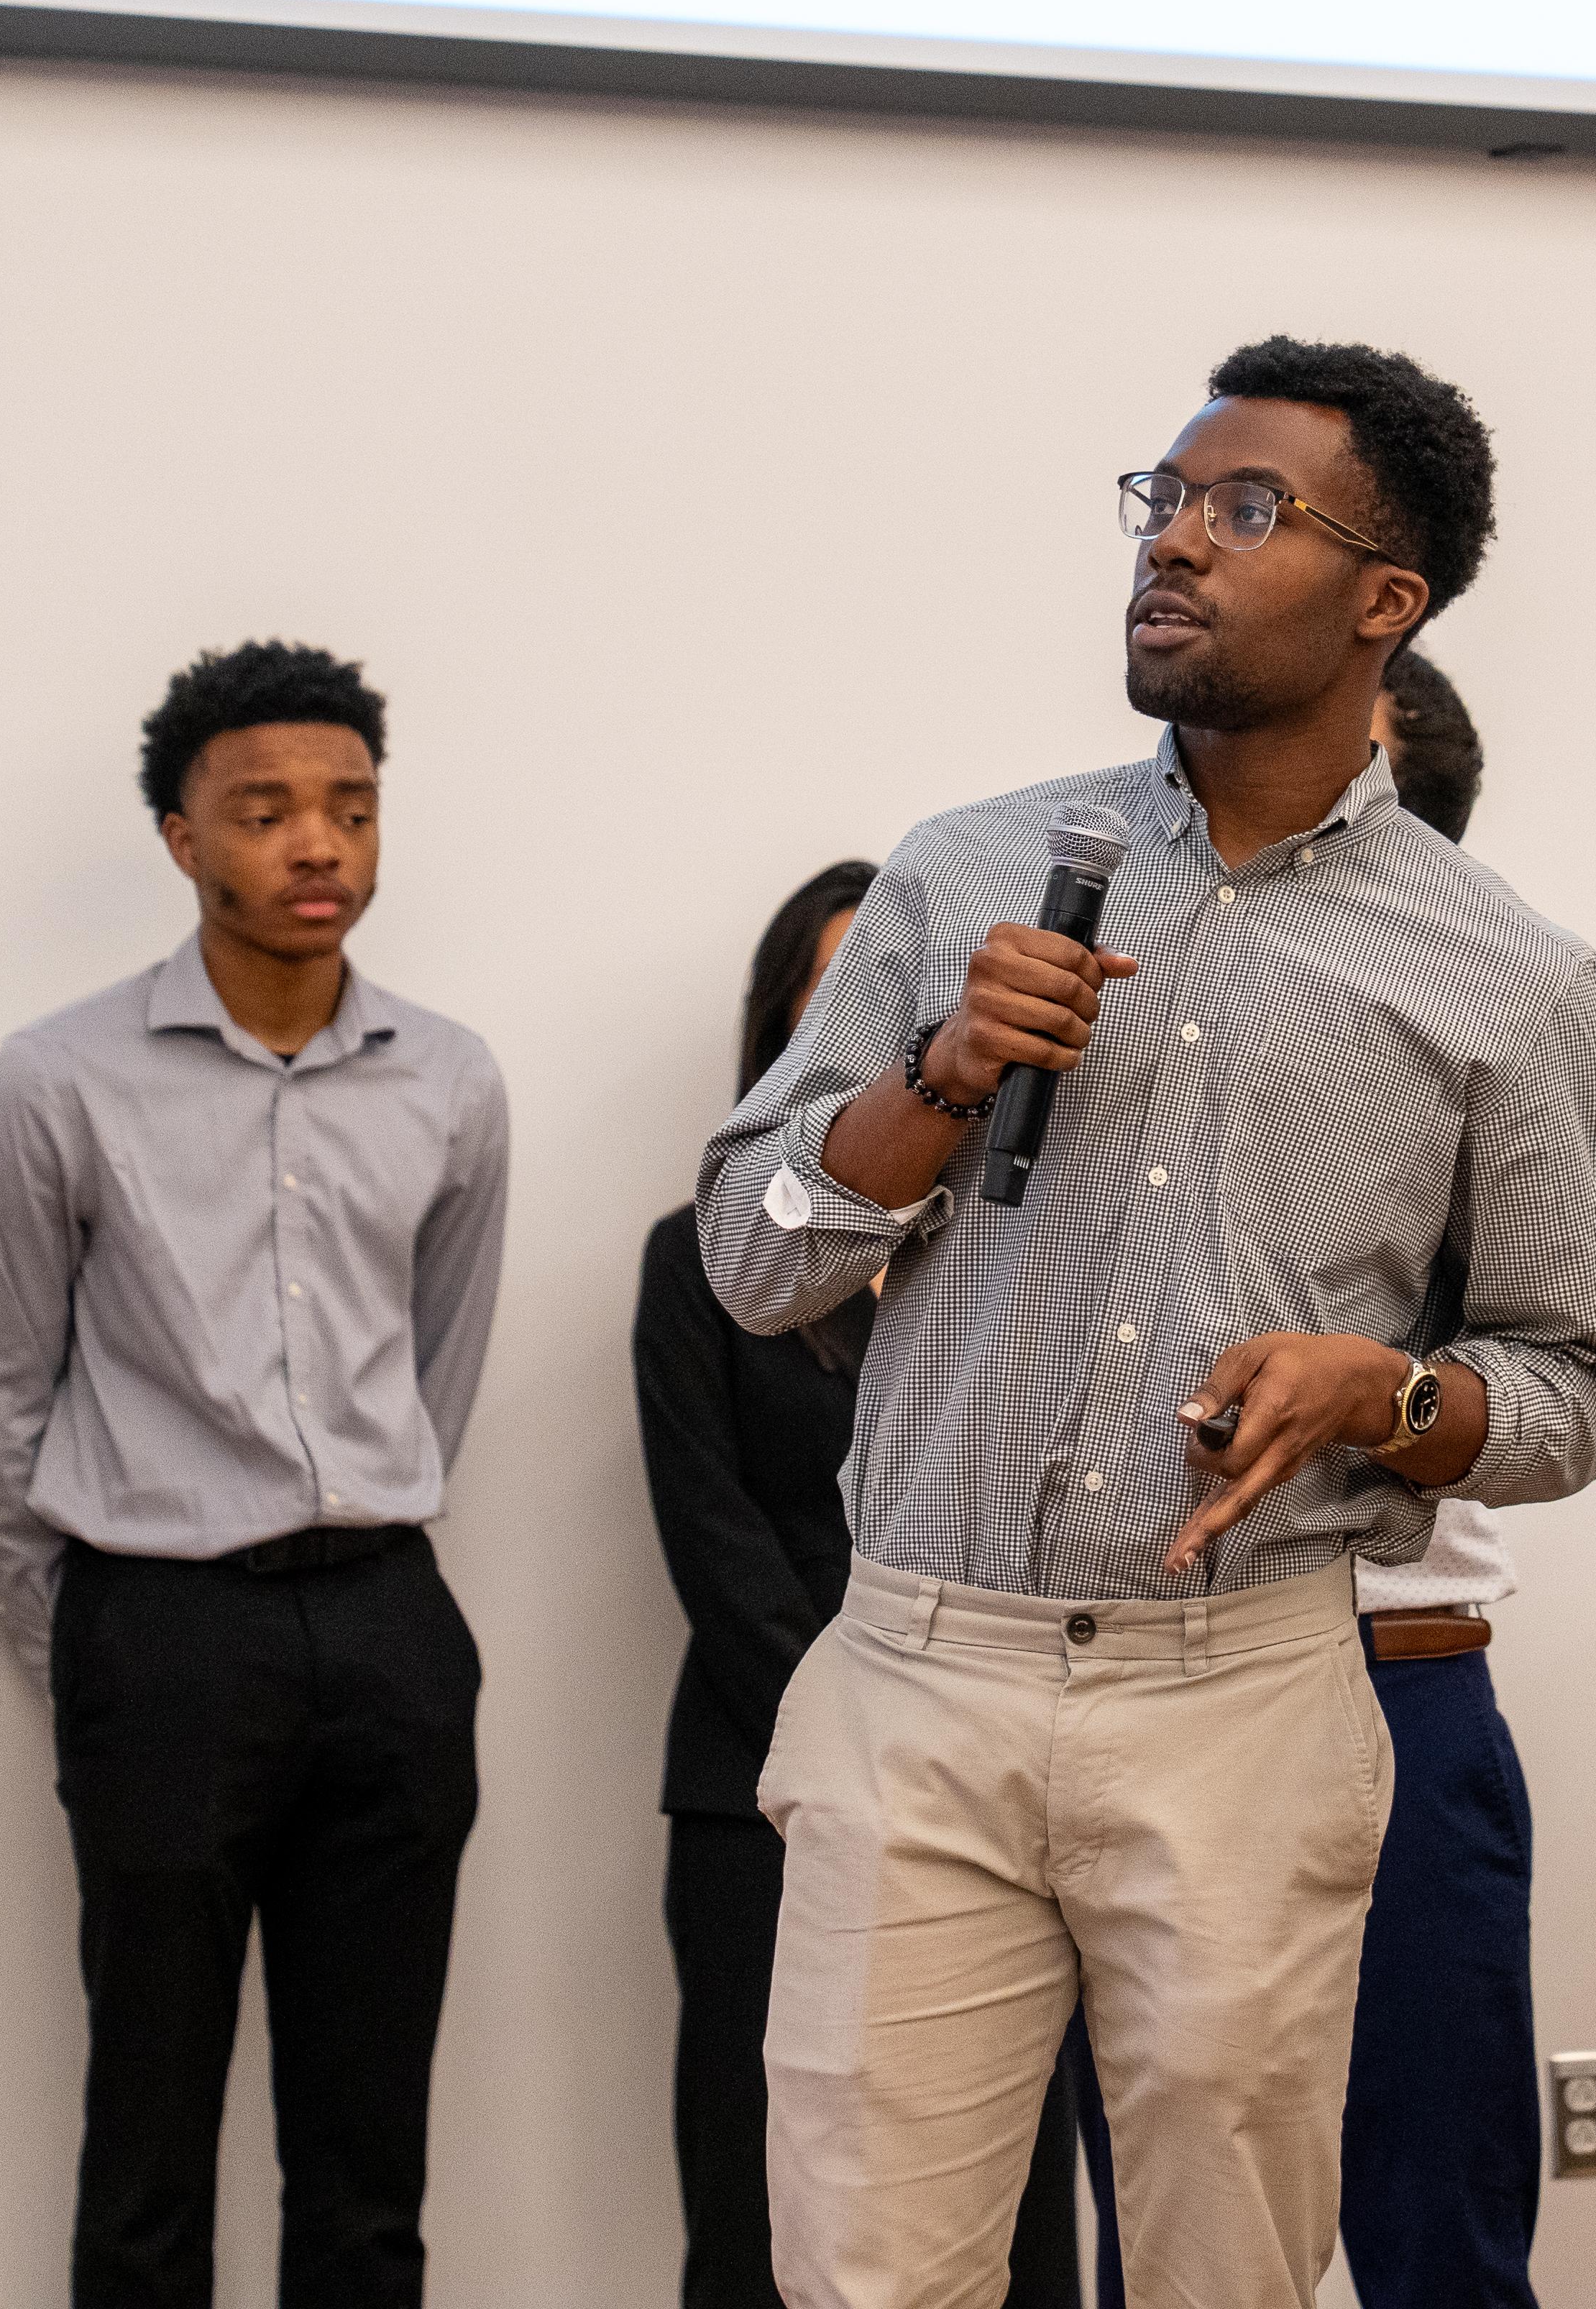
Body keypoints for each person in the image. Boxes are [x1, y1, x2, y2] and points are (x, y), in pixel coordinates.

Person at [697, 336, 1596, 2309]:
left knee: (1223, 2279)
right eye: (1168, 497)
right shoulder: (965, 872)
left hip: (1242, 1698)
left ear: (1387, 600)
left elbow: (1577, 1386)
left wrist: (1387, 1392)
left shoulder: (1511, 978)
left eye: (1248, 510)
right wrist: (937, 1077)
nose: (1177, 544)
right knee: (867, 2280)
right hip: (923, 1670)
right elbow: (755, 1255)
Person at [0, 641, 510, 2309]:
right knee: (148, 2143)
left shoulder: (450, 1078)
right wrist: (93, 1646)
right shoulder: (58, 1080)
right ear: (183, 839)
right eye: (265, 812)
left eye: (350, 806)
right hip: (162, 1629)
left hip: (390, 1626)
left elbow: (440, 1361)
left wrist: (375, 1533)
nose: (317, 842)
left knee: (369, 2159)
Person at [1077, 640, 1543, 2309]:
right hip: (1154, 1692)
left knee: (1442, 2237)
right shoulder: (1129, 1003)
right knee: (1170, 2240)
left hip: (1397, 1677)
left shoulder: (1499, 1026)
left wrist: (1377, 1389)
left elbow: (1559, 1378)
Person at [637, 862, 1082, 2309]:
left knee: (1009, 2214)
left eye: (900, 996)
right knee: (758, 2203)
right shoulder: (697, 1261)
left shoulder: (1020, 1252)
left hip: (1001, 1783)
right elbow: (715, 1544)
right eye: (829, 999)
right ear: (782, 1033)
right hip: (763, 1790)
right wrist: (866, 1726)